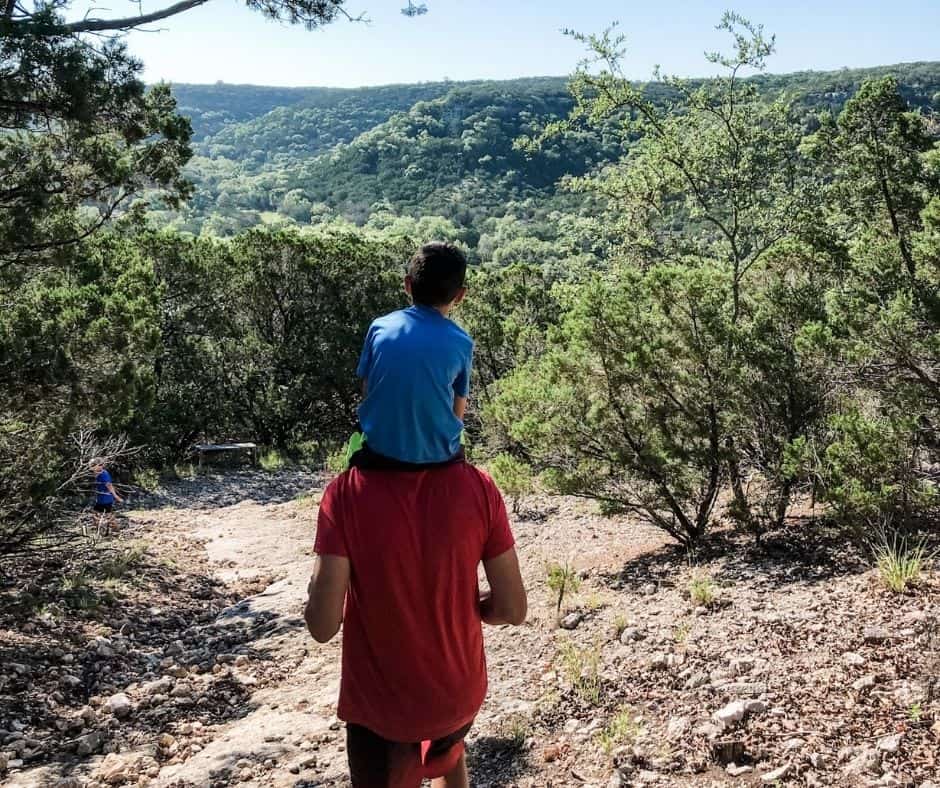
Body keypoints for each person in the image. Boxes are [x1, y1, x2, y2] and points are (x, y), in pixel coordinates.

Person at [304, 459, 527, 788]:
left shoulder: (345, 493)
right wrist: (471, 605)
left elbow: (322, 627)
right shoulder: (479, 486)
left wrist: (315, 591)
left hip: (384, 712)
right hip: (458, 699)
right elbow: (512, 609)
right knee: (447, 749)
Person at [350, 241, 473, 466]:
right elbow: (458, 410)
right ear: (460, 295)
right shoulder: (462, 342)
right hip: (438, 457)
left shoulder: (379, 327)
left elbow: (367, 390)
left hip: (379, 451)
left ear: (407, 284)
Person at [91, 459, 123, 533]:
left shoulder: (104, 474)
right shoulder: (98, 473)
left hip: (105, 498)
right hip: (101, 498)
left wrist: (116, 496)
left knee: (107, 515)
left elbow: (109, 486)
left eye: (93, 465)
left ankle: (115, 529)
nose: (91, 467)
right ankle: (99, 529)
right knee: (97, 514)